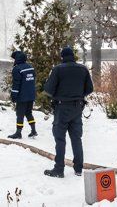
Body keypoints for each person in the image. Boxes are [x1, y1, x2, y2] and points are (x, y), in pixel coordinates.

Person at [42, 47, 94, 178]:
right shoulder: (83, 69)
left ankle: (59, 169)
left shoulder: (58, 69)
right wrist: (78, 96)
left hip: (62, 108)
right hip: (77, 108)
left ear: (62, 57)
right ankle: (78, 168)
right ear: (73, 56)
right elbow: (90, 88)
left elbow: (48, 89)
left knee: (60, 139)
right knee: (77, 138)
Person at [7, 51, 37, 139]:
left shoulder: (17, 69)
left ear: (17, 59)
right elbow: (32, 79)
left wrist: (13, 95)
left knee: (20, 114)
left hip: (22, 96)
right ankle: (33, 130)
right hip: (31, 95)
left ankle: (18, 133)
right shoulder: (30, 67)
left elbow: (16, 84)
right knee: (28, 112)